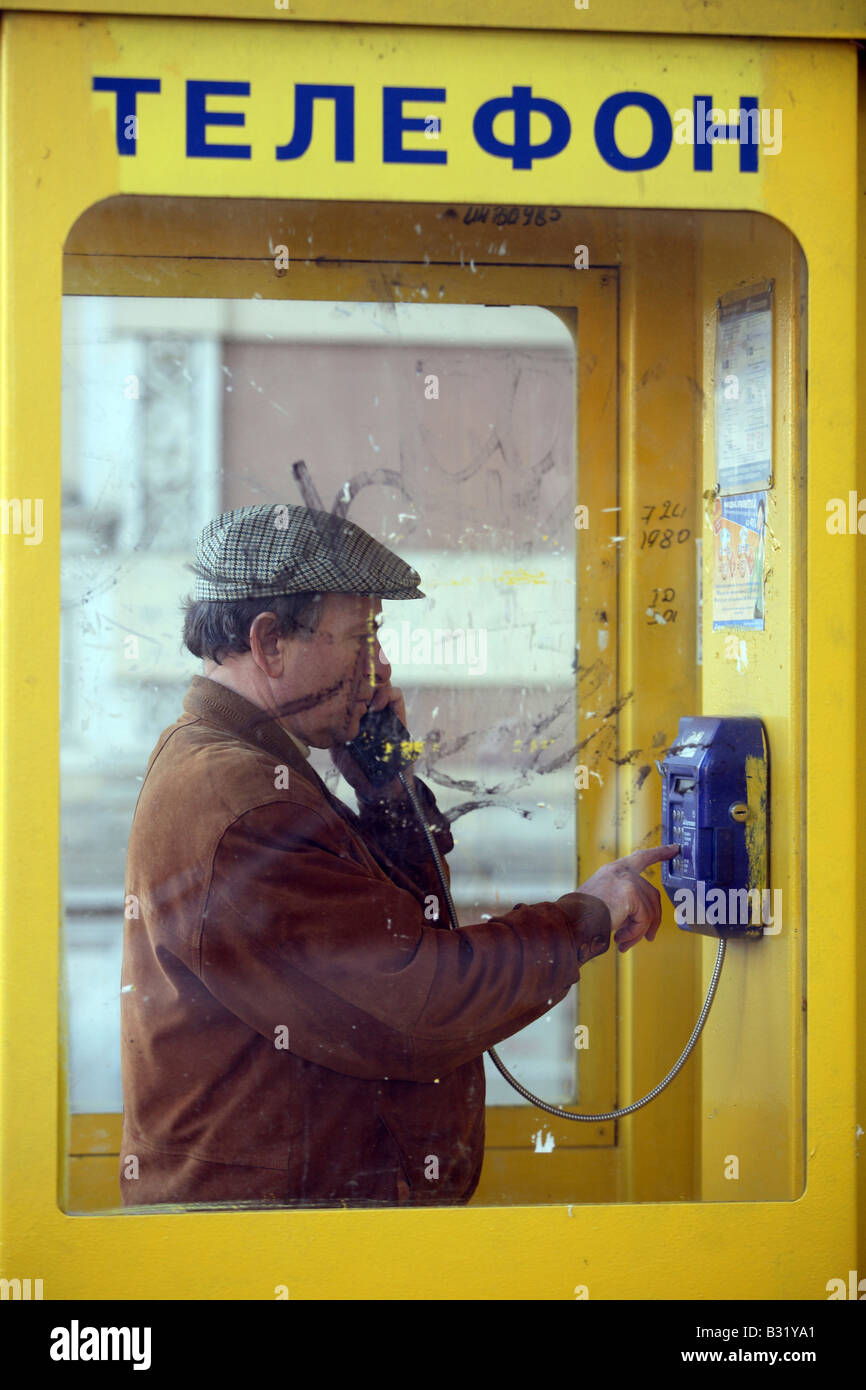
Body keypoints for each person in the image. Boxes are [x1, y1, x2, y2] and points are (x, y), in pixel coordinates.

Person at [119, 503, 677, 1208]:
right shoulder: (244, 800)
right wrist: (586, 916)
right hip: (273, 1238)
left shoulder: (248, 767)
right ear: (269, 645)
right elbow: (416, 1000)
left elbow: (395, 933)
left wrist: (386, 790)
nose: (377, 668)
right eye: (359, 639)